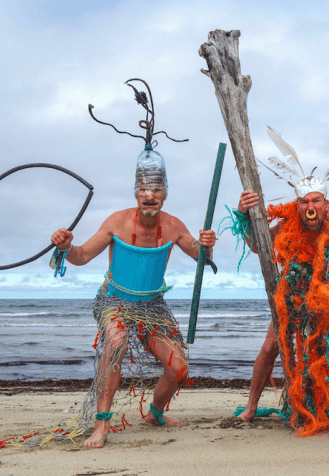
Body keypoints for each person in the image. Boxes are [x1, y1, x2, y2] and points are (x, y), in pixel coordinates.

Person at [50, 147, 216, 447]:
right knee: (116, 343)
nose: (149, 195)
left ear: (165, 193)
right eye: (143, 189)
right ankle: (102, 425)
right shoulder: (117, 222)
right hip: (113, 300)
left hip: (152, 305)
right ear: (135, 193)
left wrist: (207, 245)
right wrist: (65, 247)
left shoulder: (175, 226)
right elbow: (82, 256)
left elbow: (201, 257)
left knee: (178, 366)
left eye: (156, 189)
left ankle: (155, 414)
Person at [231, 127, 329, 435]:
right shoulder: (287, 225)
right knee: (269, 347)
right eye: (304, 202)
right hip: (295, 294)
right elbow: (256, 244)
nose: (310, 207)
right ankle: (250, 407)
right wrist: (242, 216)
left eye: (315, 200)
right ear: (298, 205)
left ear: (326, 203)